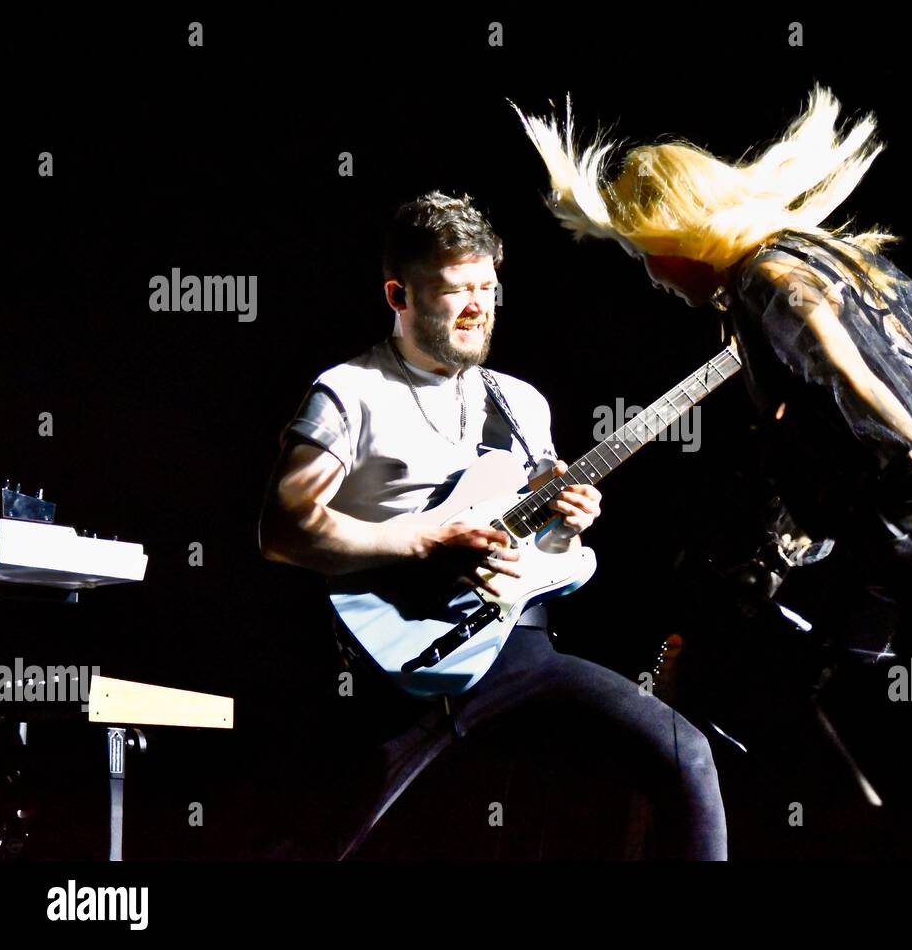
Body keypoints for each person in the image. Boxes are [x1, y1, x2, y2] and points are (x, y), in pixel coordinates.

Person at [256, 191, 727, 860]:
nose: (479, 306)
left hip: (518, 653)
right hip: (392, 671)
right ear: (399, 294)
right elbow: (284, 530)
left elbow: (548, 551)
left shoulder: (519, 401)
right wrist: (421, 539)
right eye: (456, 290)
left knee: (687, 755)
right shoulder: (349, 392)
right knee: (315, 843)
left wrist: (568, 525)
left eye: (488, 286)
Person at [512, 88, 912, 655]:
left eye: (643, 254)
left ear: (675, 232)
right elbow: (828, 426)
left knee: (822, 679)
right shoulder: (804, 255)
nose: (652, 277)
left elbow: (847, 371)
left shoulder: (764, 277)